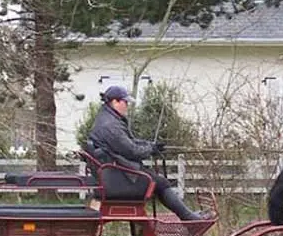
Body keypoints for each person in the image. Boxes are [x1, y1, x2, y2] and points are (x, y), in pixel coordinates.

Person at [87, 85, 206, 220]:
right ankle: (188, 217)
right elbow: (131, 151)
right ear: (115, 102)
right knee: (161, 183)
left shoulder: (107, 119)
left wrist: (150, 145)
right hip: (118, 177)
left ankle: (187, 215)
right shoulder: (110, 126)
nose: (127, 106)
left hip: (114, 173)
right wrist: (151, 150)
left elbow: (129, 142)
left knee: (157, 179)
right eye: (125, 102)